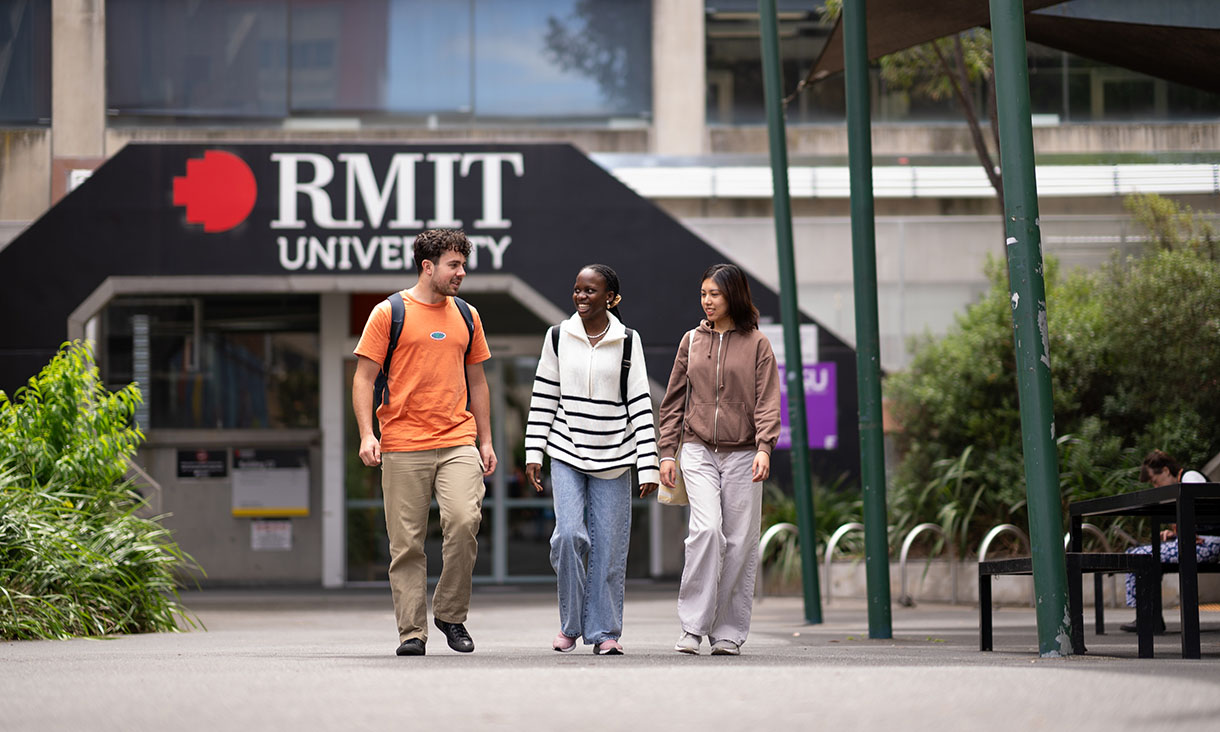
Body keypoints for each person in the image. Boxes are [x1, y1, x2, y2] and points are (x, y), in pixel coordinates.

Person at [352, 228, 497, 657]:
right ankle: (411, 632)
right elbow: (363, 379)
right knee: (407, 544)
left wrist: (485, 440)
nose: (461, 273)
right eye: (454, 265)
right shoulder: (389, 313)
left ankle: (451, 613)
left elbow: (478, 381)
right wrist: (366, 433)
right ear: (427, 267)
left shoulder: (468, 315)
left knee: (463, 522)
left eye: (463, 265)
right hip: (402, 442)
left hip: (457, 439)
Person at [524, 264, 659, 655]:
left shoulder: (628, 342)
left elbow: (640, 405)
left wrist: (647, 463)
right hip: (565, 450)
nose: (581, 297)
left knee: (610, 550)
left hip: (615, 455)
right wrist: (534, 451)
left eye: (591, 291)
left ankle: (604, 632)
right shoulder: (557, 337)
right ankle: (571, 623)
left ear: (611, 298)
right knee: (568, 536)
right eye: (578, 290)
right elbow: (544, 397)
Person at [657, 263, 781, 656]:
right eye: (704, 294)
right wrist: (666, 452)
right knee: (708, 531)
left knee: (741, 540)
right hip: (696, 449)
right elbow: (674, 400)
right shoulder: (691, 341)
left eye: (715, 294)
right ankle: (693, 627)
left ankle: (728, 631)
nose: (707, 301)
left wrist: (764, 446)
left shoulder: (757, 343)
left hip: (744, 452)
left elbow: (767, 400)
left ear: (734, 296)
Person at [1121, 449, 1219, 632]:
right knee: (1144, 555)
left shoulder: (1190, 477)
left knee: (1138, 556)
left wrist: (1185, 531)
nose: (1156, 487)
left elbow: (1205, 510)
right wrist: (1176, 533)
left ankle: (1146, 615)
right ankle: (1149, 615)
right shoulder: (1183, 483)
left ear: (1166, 471)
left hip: (1209, 543)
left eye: (1155, 482)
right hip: (1198, 541)